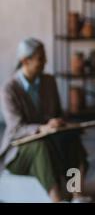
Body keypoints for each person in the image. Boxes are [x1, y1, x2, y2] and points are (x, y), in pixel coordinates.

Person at [0, 38, 90, 202]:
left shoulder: (49, 81)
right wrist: (43, 128)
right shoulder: (9, 89)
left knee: (72, 139)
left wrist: (64, 124)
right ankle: (55, 198)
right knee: (39, 147)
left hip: (50, 141)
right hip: (18, 151)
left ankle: (76, 193)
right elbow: (15, 129)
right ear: (25, 61)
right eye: (40, 58)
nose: (45, 62)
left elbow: (57, 113)